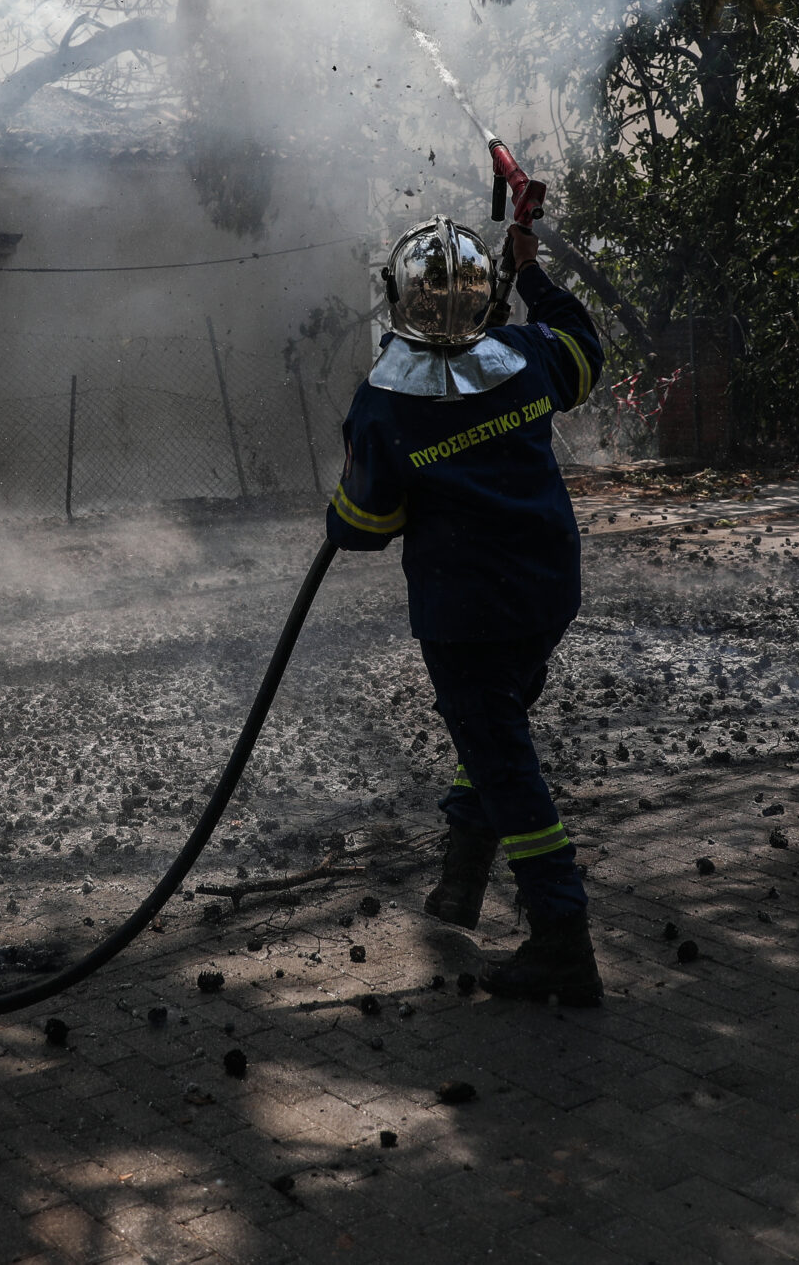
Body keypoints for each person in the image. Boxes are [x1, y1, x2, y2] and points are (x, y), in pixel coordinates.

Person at [325, 215, 605, 1005]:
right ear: (487, 300)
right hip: (548, 591)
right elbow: (582, 350)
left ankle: (562, 935)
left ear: (394, 299)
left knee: (504, 760)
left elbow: (364, 526)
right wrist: (536, 271)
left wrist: (349, 503)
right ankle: (461, 876)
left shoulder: (383, 402)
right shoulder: (522, 357)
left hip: (466, 613)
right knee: (495, 724)